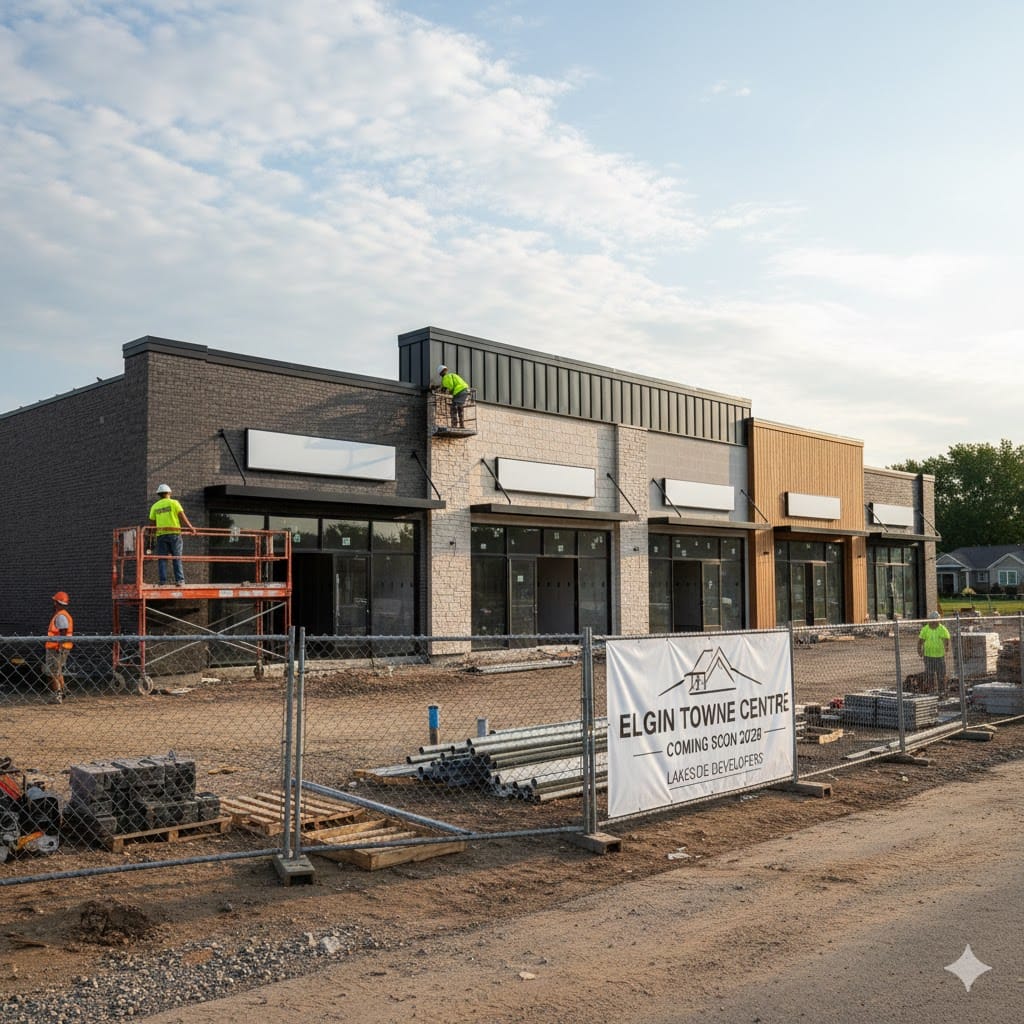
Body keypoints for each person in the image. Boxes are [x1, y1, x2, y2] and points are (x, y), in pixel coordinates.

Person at [148, 483, 196, 585]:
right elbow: (182, 516)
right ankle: (179, 580)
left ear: (159, 494)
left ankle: (162, 581)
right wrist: (191, 528)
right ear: (169, 493)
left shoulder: (154, 506)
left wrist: (150, 536)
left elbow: (152, 524)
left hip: (161, 535)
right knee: (176, 557)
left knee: (162, 559)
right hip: (174, 534)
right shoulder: (174, 503)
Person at [45, 591, 73, 704]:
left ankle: (58, 696)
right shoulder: (63, 615)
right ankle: (63, 692)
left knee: (54, 672)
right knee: (58, 672)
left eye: (54, 601)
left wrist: (59, 646)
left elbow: (63, 632)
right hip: (60, 647)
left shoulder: (61, 616)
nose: (53, 603)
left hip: (56, 648)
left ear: (57, 602)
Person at [917, 611, 951, 695]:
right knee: (930, 675)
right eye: (933, 620)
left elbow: (946, 638)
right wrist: (919, 649)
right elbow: (920, 640)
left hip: (940, 656)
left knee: (941, 674)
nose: (935, 622)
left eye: (936, 620)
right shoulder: (925, 629)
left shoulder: (942, 628)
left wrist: (946, 647)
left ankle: (942, 691)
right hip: (928, 656)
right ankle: (932, 691)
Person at [436, 363, 471, 428]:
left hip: (459, 391)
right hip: (465, 390)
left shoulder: (445, 378)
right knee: (460, 408)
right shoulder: (452, 375)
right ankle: (462, 425)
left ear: (440, 374)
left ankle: (454, 425)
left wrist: (445, 390)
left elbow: (451, 386)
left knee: (453, 408)